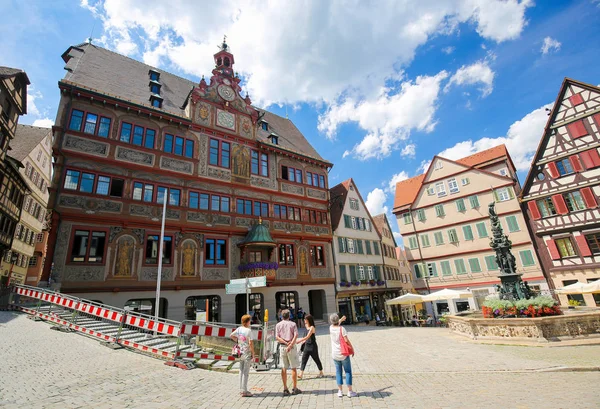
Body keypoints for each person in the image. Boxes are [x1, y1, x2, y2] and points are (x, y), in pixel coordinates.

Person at [329, 313, 357, 398]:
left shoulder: (330, 328)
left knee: (338, 372)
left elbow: (335, 324)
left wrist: (340, 319)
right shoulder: (342, 329)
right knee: (348, 371)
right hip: (343, 354)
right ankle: (350, 391)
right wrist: (352, 348)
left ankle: (340, 391)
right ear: (338, 320)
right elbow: (346, 340)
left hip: (335, 354)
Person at [275, 309, 302, 396]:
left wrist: (286, 343)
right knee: (293, 368)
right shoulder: (293, 324)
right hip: (292, 347)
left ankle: (285, 388)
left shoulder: (278, 325)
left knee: (284, 368)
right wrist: (290, 345)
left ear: (281, 316)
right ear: (289, 316)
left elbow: (277, 337)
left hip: (283, 347)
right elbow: (296, 335)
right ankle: (294, 388)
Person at [230, 314, 256, 397]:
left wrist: (238, 341)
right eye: (249, 321)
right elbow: (251, 343)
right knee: (246, 372)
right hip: (247, 352)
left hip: (240, 352)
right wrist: (253, 354)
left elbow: (231, 335)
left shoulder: (239, 329)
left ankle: (240, 389)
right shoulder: (249, 331)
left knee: (241, 370)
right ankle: (245, 391)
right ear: (248, 322)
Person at [296, 314, 324, 379]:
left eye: (305, 319)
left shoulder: (312, 327)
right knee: (304, 359)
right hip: (306, 346)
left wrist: (299, 341)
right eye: (304, 319)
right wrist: (303, 343)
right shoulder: (306, 326)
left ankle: (321, 372)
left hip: (313, 346)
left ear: (309, 320)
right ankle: (301, 373)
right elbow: (305, 335)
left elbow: (307, 337)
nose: (304, 320)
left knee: (316, 359)